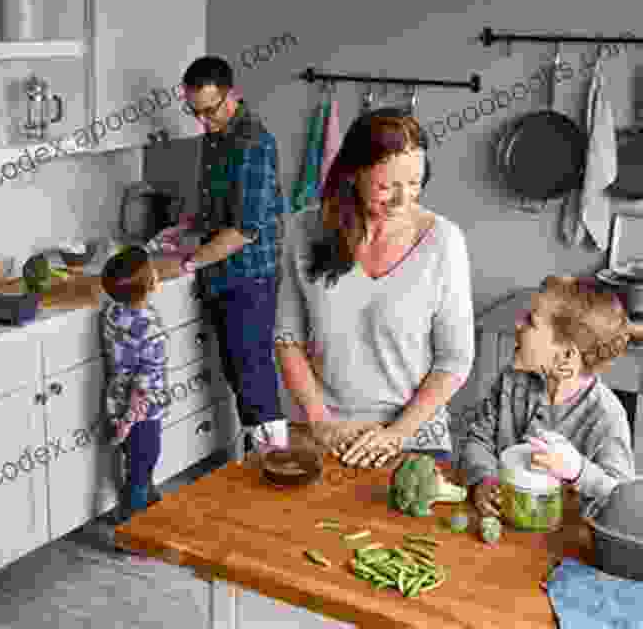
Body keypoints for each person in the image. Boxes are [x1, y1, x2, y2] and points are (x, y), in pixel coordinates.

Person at [274, 108, 475, 470]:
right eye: (387, 186)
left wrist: (396, 434)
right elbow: (288, 338)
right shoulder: (303, 231)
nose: (403, 200)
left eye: (415, 183)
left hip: (414, 438)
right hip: (323, 432)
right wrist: (321, 421)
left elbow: (455, 360)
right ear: (353, 176)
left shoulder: (444, 242)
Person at [162, 56, 290, 454]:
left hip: (248, 275)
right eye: (194, 111)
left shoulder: (252, 143)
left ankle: (275, 460)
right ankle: (260, 462)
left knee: (252, 375)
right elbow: (218, 208)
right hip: (222, 273)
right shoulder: (216, 137)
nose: (202, 121)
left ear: (231, 94)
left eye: (209, 110)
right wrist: (185, 226)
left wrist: (187, 262)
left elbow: (245, 229)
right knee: (239, 373)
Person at [463, 275, 641, 521]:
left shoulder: (606, 416)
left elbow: (623, 503)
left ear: (566, 357)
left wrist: (578, 470)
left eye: (530, 322)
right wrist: (484, 479)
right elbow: (479, 440)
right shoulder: (511, 382)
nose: (517, 325)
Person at [100, 246, 169, 523]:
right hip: (142, 410)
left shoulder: (113, 313)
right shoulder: (151, 330)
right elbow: (144, 386)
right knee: (144, 463)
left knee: (136, 462)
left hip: (116, 398)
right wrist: (131, 419)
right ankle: (132, 526)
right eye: (152, 268)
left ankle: (148, 500)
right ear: (150, 283)